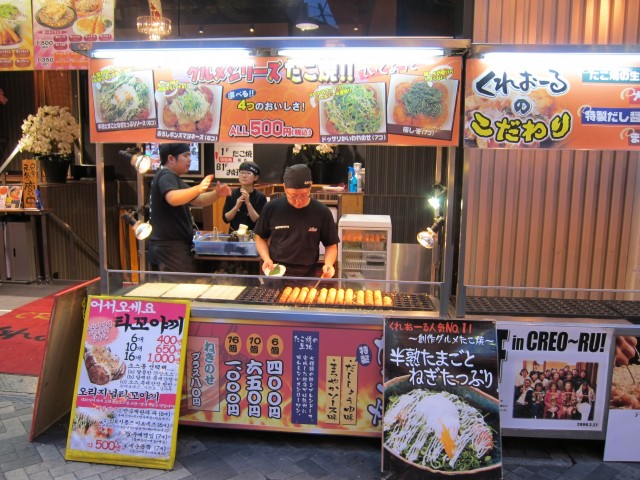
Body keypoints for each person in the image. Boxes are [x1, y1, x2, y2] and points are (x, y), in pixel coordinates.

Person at [147, 143, 231, 274]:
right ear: (171, 159)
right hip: (169, 247)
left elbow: (199, 199)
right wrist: (198, 188)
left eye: (189, 155)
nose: (189, 159)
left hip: (173, 246)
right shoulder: (166, 175)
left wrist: (216, 194)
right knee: (178, 290)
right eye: (185, 155)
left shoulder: (173, 178)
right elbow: (173, 198)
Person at [253, 164, 339, 278]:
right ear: (284, 188)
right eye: (292, 195)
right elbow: (260, 238)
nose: (298, 201)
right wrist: (266, 258)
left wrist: (328, 264)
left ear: (310, 187)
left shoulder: (322, 212)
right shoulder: (271, 208)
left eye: (304, 195)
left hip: (308, 274)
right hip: (276, 271)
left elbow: (331, 244)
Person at [222, 161, 267, 233]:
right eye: (242, 172)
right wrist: (236, 207)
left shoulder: (260, 197)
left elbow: (259, 221)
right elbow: (226, 219)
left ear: (256, 177)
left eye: (248, 173)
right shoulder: (231, 194)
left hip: (253, 235)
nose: (244, 176)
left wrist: (248, 203)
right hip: (234, 236)